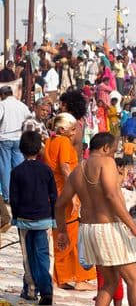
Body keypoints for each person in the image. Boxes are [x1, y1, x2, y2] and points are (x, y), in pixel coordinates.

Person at [55, 132, 136, 306]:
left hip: (87, 229)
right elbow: (111, 195)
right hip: (107, 228)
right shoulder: (106, 162)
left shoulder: (78, 169)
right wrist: (134, 228)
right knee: (135, 279)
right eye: (114, 150)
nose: (114, 156)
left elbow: (60, 204)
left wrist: (62, 231)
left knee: (110, 280)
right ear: (106, 148)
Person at [44, 112, 97, 291]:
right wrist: (74, 195)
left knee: (60, 234)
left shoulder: (49, 142)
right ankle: (78, 277)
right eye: (72, 129)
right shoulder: (64, 142)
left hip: (54, 195)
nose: (75, 133)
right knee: (71, 236)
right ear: (62, 130)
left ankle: (61, 276)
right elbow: (65, 168)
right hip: (65, 195)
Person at [10, 130, 57, 305]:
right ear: (39, 149)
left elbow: (14, 198)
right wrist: (53, 218)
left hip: (24, 220)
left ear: (21, 149)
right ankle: (47, 289)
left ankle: (31, 289)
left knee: (28, 256)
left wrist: (15, 218)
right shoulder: (46, 170)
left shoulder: (16, 172)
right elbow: (53, 196)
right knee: (43, 254)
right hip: (44, 219)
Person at [0, 84, 30, 203]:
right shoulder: (21, 105)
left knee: (5, 168)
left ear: (2, 95)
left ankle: (8, 197)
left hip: (4, 139)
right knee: (19, 167)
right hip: (18, 139)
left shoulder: (2, 105)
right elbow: (29, 118)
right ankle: (22, 194)